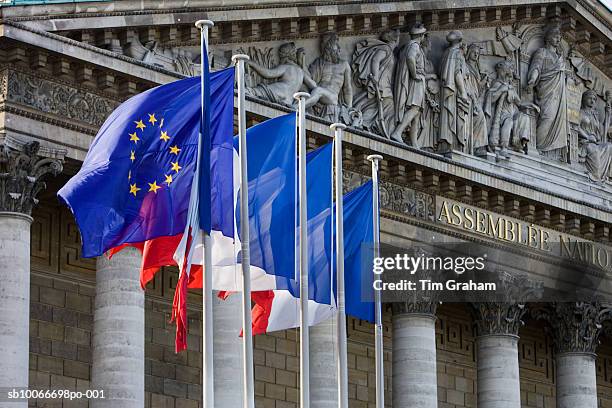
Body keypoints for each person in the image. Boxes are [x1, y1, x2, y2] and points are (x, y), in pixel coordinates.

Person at [526, 25, 569, 160]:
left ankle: (552, 152)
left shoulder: (560, 57)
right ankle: (539, 147)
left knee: (558, 120)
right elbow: (536, 68)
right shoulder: (542, 52)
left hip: (559, 95)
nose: (558, 40)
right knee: (547, 117)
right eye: (556, 37)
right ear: (549, 37)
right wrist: (532, 80)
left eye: (560, 38)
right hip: (545, 91)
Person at [352, 29, 400, 138]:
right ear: (395, 39)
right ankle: (364, 122)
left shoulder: (391, 52)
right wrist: (375, 80)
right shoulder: (386, 48)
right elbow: (375, 60)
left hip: (385, 85)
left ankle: (363, 122)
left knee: (376, 106)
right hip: (381, 85)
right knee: (387, 105)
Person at [391, 23, 427, 145]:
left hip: (419, 81)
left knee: (417, 111)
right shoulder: (414, 46)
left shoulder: (410, 46)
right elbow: (410, 58)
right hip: (416, 81)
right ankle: (397, 132)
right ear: (421, 35)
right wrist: (415, 74)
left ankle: (414, 143)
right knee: (415, 108)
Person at [246, 42, 316, 106]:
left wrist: (252, 64)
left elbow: (268, 73)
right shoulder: (301, 72)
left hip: (278, 91)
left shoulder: (286, 67)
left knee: (252, 92)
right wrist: (302, 64)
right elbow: (314, 85)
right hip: (288, 100)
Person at [306, 32, 354, 122]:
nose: (339, 48)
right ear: (328, 47)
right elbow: (309, 80)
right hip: (318, 96)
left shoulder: (344, 65)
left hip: (332, 98)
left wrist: (349, 108)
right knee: (316, 90)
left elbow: (347, 88)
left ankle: (297, 107)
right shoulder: (319, 62)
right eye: (336, 44)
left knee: (318, 90)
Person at [438, 30, 470, 153]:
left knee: (447, 115)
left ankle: (446, 141)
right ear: (460, 41)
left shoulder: (447, 52)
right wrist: (463, 92)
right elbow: (457, 73)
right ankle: (452, 142)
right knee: (452, 115)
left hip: (446, 89)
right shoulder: (457, 53)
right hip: (453, 91)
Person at [578, 90, 612, 182]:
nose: (592, 101)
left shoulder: (595, 116)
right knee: (593, 150)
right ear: (584, 99)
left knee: (609, 146)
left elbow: (601, 130)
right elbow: (576, 126)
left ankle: (603, 176)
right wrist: (587, 137)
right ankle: (595, 176)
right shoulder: (581, 112)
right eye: (590, 98)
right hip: (584, 142)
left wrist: (608, 114)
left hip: (595, 142)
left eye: (594, 99)